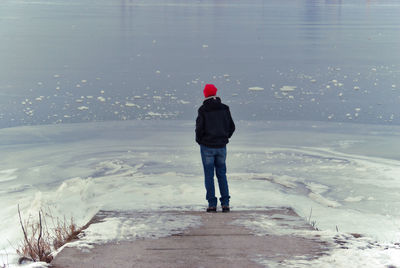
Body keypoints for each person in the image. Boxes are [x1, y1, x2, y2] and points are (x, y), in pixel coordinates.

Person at [195, 84, 235, 213]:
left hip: (207, 146)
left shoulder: (203, 109)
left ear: (205, 94)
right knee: (222, 175)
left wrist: (200, 140)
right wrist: (224, 137)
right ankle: (225, 204)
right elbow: (232, 127)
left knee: (209, 175)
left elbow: (199, 128)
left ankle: (212, 204)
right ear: (215, 93)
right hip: (221, 146)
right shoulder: (225, 108)